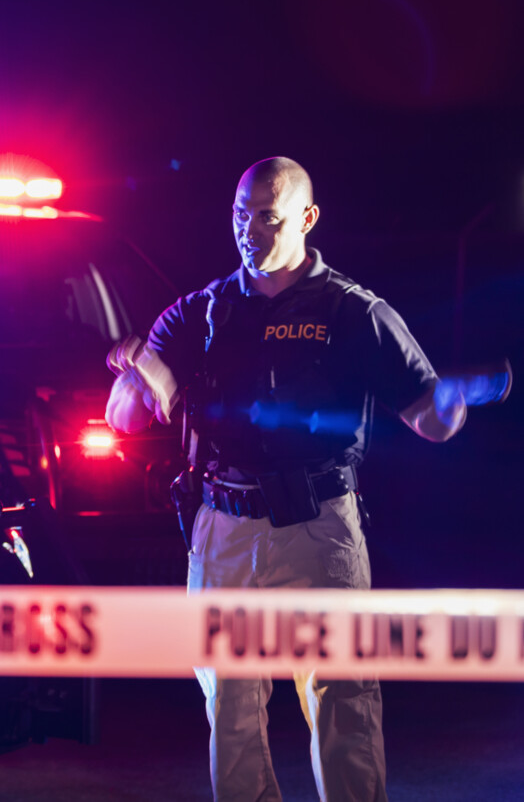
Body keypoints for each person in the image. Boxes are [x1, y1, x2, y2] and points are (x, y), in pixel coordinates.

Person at [106, 156, 471, 802]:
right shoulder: (203, 310)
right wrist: (136, 370)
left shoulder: (353, 311)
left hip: (318, 528)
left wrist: (450, 406)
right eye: (239, 215)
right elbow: (123, 418)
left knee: (341, 697)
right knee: (229, 703)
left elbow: (431, 419)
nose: (248, 231)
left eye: (267, 218)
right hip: (223, 529)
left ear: (307, 219)